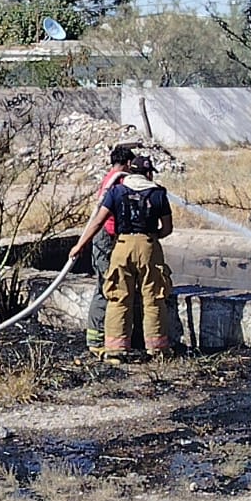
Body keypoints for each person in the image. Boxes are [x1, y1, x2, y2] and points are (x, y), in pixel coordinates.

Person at [69, 155, 173, 364]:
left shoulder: (116, 192)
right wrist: (152, 237)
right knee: (153, 298)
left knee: (118, 297)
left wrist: (80, 246)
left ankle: (115, 350)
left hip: (121, 247)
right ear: (149, 173)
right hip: (149, 247)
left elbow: (98, 221)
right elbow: (168, 228)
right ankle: (157, 350)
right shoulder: (158, 193)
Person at [80, 146, 137, 357]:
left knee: (109, 285)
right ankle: (96, 339)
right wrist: (80, 245)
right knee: (106, 286)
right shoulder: (117, 181)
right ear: (128, 163)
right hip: (106, 238)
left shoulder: (111, 178)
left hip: (109, 237)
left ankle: (102, 336)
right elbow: (101, 218)